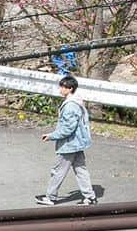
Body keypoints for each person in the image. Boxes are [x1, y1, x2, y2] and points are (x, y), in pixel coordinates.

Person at [35, 75, 97, 206]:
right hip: (78, 143)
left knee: (58, 171)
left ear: (70, 89)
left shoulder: (70, 106)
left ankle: (51, 197)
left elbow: (68, 128)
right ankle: (90, 197)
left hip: (70, 144)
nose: (60, 89)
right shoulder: (77, 101)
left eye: (63, 87)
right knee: (81, 170)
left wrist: (51, 136)